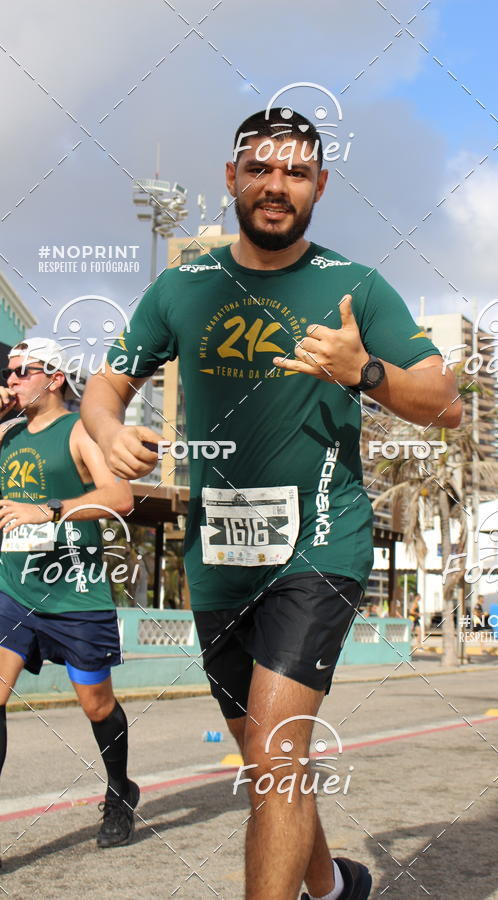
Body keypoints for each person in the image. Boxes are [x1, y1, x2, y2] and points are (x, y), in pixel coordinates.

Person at [81, 108, 462, 900]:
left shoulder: (355, 286)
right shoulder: (182, 288)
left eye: (295, 171)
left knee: (278, 752)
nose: (276, 184)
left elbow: (444, 403)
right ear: (232, 178)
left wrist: (365, 371)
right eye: (259, 168)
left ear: (321, 184)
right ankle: (335, 888)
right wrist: (109, 431)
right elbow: (106, 385)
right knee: (265, 760)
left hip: (320, 545)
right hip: (218, 558)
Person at [0, 339, 138, 849]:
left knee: (97, 705)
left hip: (74, 593)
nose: (12, 380)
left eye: (23, 371)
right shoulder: (7, 433)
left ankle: (120, 791)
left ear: (55, 378)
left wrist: (49, 509)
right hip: (13, 587)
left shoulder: (79, 430)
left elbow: (120, 496)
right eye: (8, 372)